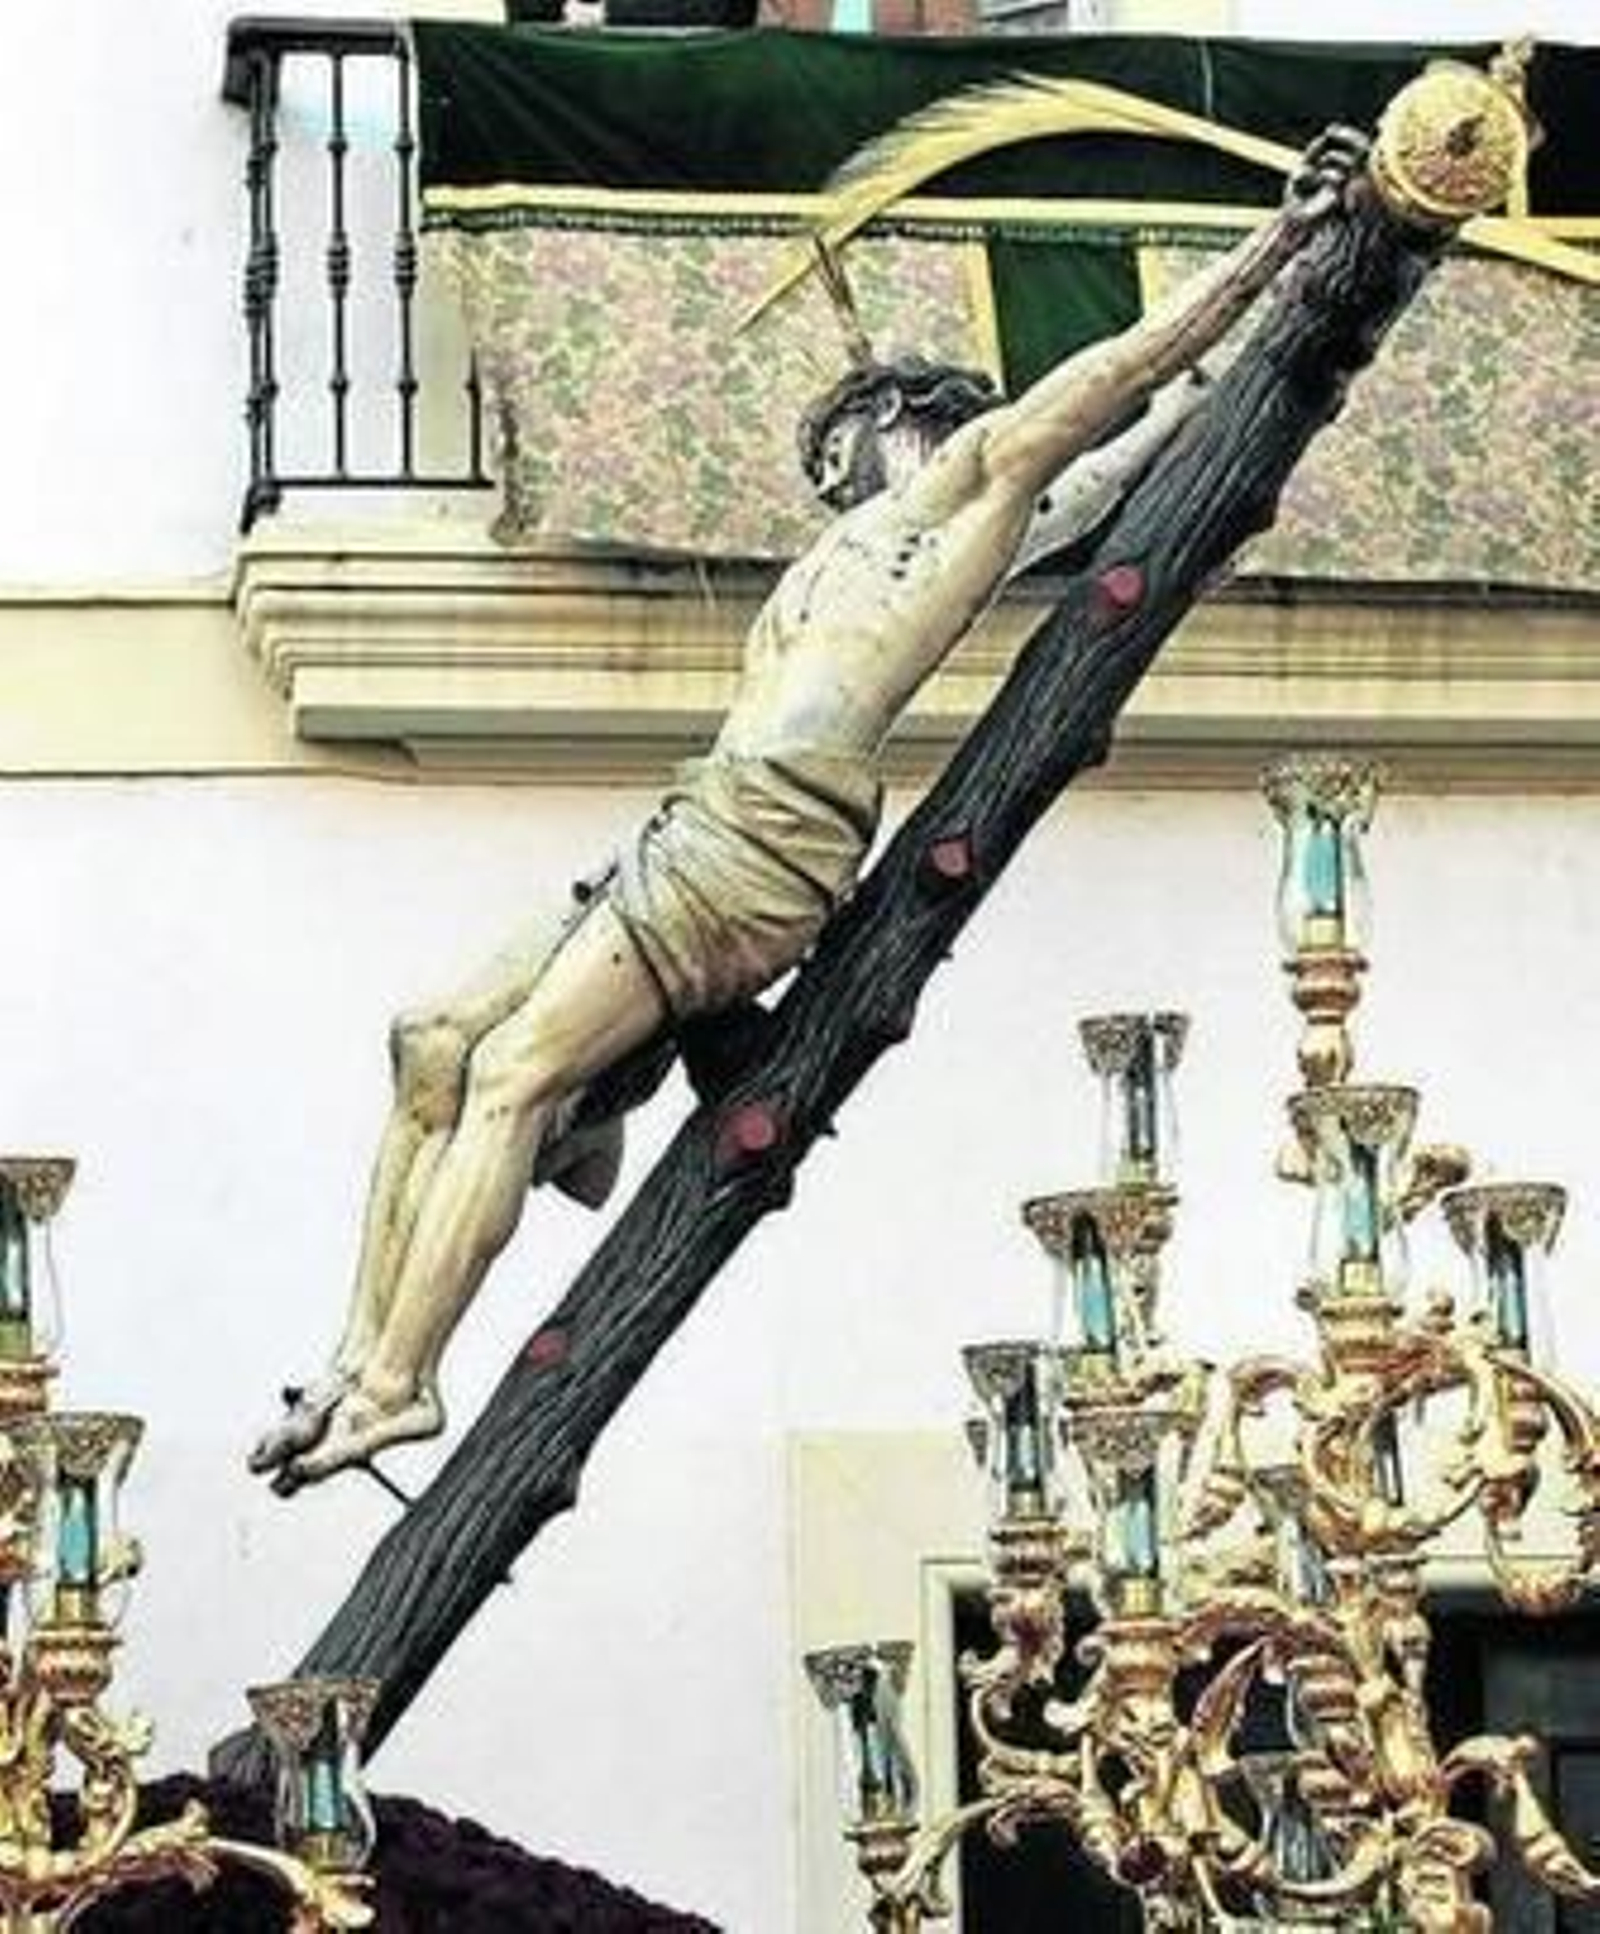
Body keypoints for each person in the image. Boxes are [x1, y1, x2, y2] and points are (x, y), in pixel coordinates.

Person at [251, 128, 1368, 1491]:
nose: (827, 480)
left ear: (902, 424)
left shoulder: (977, 489)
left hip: (756, 849)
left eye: (840, 450)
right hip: (693, 825)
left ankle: (401, 1384)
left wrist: (1280, 244)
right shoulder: (854, 549)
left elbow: (1121, 390)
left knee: (510, 1074)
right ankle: (353, 1352)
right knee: (431, 1042)